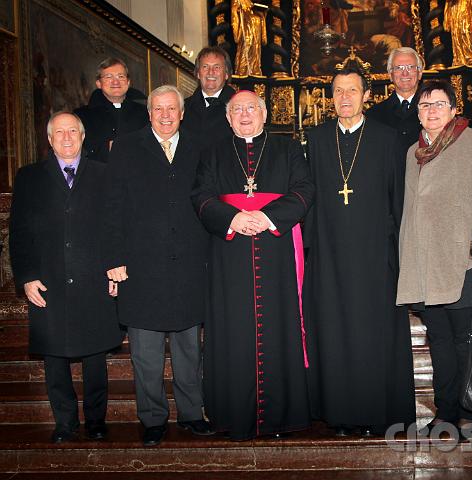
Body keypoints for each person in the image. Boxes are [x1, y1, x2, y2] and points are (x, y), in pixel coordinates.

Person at [191, 90, 314, 440]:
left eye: (251, 108)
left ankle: (282, 417)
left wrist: (266, 216)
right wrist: (233, 219)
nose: (245, 115)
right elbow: (200, 196)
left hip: (276, 254)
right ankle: (233, 417)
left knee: (279, 325)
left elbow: (304, 190)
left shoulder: (287, 148)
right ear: (228, 118)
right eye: (237, 110)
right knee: (233, 329)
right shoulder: (213, 152)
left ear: (264, 114)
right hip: (230, 256)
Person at [396, 80, 472, 435]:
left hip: (465, 263)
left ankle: (471, 411)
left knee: (466, 341)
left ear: (453, 109)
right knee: (441, 344)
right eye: (424, 105)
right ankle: (446, 412)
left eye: (438, 104)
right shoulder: (412, 152)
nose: (430, 111)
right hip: (426, 266)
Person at [304, 66, 416, 437]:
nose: (346, 97)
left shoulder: (387, 139)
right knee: (334, 334)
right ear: (331, 98)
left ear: (367, 95)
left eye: (353, 90)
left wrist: (397, 258)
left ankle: (376, 414)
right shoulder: (317, 139)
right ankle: (339, 414)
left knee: (374, 336)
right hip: (330, 257)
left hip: (374, 259)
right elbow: (309, 199)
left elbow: (398, 201)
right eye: (338, 91)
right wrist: (311, 253)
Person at [104, 85, 212, 447]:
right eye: (158, 109)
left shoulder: (200, 146)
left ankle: (193, 413)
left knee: (189, 349)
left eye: (172, 109)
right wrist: (114, 258)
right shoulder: (126, 147)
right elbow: (113, 207)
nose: (165, 115)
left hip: (189, 262)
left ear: (182, 113)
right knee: (146, 352)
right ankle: (152, 418)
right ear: (148, 113)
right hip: (141, 265)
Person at [9, 112, 123, 443]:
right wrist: (27, 276)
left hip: (94, 278)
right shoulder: (29, 177)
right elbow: (19, 233)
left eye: (73, 130)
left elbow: (115, 227)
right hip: (49, 282)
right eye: (60, 132)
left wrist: (115, 267)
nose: (67, 137)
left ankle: (97, 420)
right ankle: (65, 422)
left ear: (83, 136)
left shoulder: (104, 174)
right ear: (49, 139)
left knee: (95, 354)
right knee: (54, 356)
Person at [74, 57, 148, 163]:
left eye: (121, 76)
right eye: (109, 77)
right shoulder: (82, 116)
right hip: (100, 176)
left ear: (128, 82)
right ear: (99, 83)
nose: (115, 82)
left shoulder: (145, 113)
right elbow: (77, 152)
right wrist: (107, 148)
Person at [366, 47, 424, 154]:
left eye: (410, 67)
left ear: (419, 73)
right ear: (390, 75)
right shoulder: (373, 115)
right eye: (399, 68)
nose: (405, 73)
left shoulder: (433, 110)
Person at [182, 46, 235, 147]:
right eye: (205, 67)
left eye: (217, 67)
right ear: (198, 73)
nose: (211, 72)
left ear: (227, 74)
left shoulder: (239, 108)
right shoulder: (183, 108)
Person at [231, 0, 267, 77]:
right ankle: (242, 71)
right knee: (246, 48)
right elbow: (234, 15)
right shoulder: (238, 1)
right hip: (246, 28)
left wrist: (262, 16)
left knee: (256, 49)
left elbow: (261, 16)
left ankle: (255, 70)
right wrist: (237, 10)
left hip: (256, 27)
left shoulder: (252, 3)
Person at [443, 0, 472, 66]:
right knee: (456, 32)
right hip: (454, 6)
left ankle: (469, 56)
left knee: (466, 29)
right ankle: (458, 58)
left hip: (466, 4)